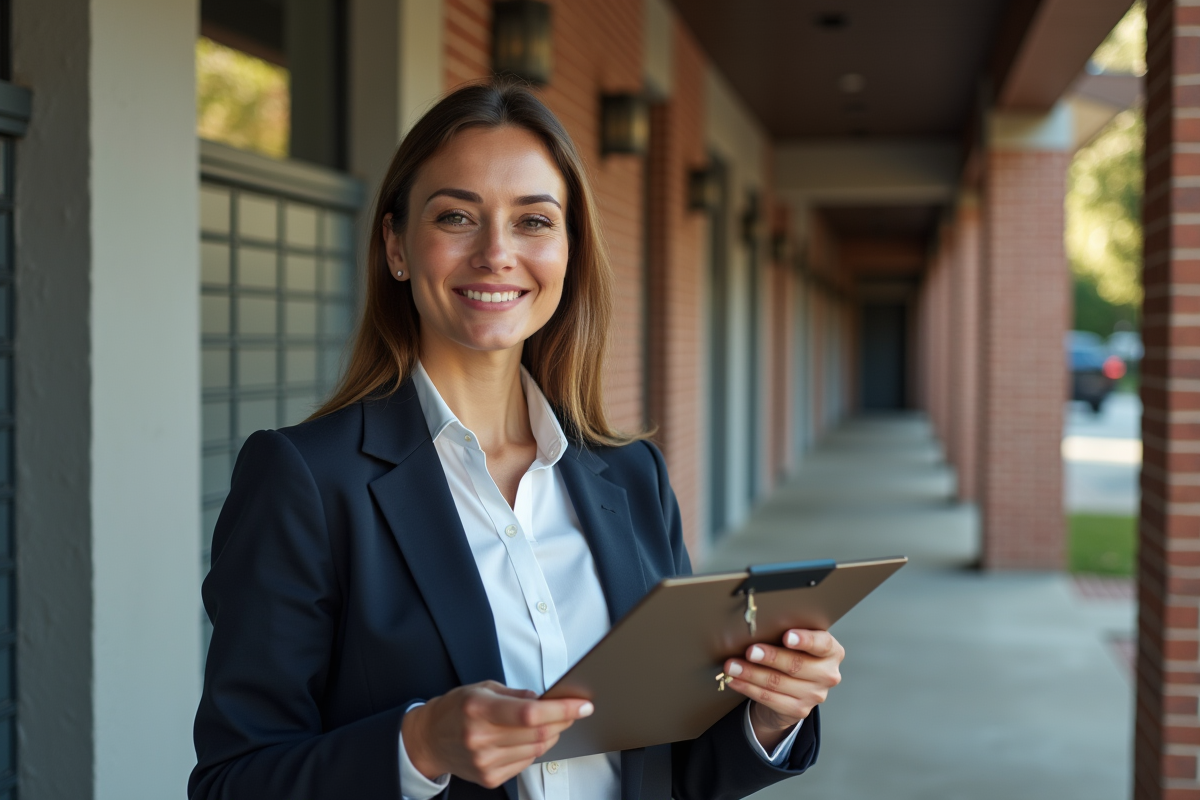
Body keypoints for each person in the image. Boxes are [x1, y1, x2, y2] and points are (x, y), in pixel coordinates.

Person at [188, 81, 845, 800]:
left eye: (534, 221)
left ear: (569, 252)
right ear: (396, 246)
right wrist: (419, 745)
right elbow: (233, 782)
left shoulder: (633, 477)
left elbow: (667, 766)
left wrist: (770, 715)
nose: (496, 253)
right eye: (456, 217)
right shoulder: (306, 481)